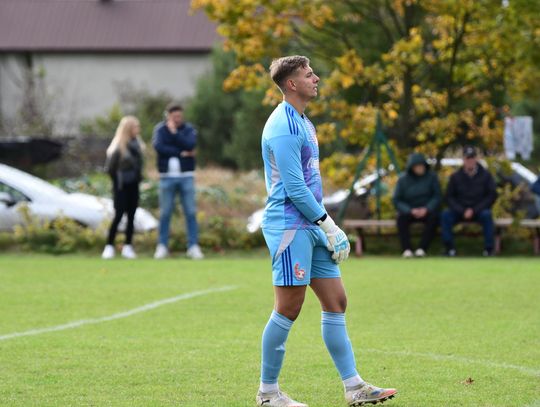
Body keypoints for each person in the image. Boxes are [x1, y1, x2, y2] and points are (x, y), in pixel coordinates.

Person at [257, 55, 397, 407]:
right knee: (288, 307)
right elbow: (294, 187)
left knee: (336, 301)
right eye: (309, 75)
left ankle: (354, 387)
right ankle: (268, 393)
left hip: (311, 224)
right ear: (292, 84)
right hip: (289, 227)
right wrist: (329, 224)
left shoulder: (304, 121)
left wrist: (322, 225)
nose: (316, 78)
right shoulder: (283, 126)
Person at [152, 103, 203, 260]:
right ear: (168, 116)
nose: (177, 119)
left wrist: (175, 134)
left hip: (186, 176)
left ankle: (193, 246)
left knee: (190, 212)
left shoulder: (188, 129)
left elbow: (190, 144)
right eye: (174, 116)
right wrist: (181, 152)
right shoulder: (160, 130)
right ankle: (162, 246)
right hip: (166, 177)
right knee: (165, 212)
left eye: (179, 116)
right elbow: (159, 147)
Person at [441, 146, 498, 256]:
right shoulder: (455, 177)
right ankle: (449, 249)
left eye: (472, 158)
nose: (470, 161)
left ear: (476, 159)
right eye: (467, 158)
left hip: (479, 210)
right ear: (463, 159)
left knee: (487, 215)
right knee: (445, 215)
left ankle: (489, 249)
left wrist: (474, 210)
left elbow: (491, 196)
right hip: (460, 211)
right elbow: (449, 197)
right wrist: (462, 210)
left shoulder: (486, 175)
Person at [102, 116, 144, 259]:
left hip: (134, 185)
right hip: (121, 186)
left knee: (132, 216)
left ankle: (128, 246)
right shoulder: (118, 147)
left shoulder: (137, 146)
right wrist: (118, 181)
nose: (138, 130)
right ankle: (109, 246)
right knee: (119, 215)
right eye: (135, 127)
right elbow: (110, 169)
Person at [392, 153, 441, 258]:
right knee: (401, 219)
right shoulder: (403, 179)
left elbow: (437, 196)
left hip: (427, 210)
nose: (420, 168)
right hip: (409, 210)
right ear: (412, 167)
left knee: (434, 219)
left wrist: (427, 208)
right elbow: (397, 200)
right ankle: (407, 249)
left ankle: (422, 249)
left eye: (422, 165)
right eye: (417, 166)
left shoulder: (432, 177)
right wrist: (409, 210)